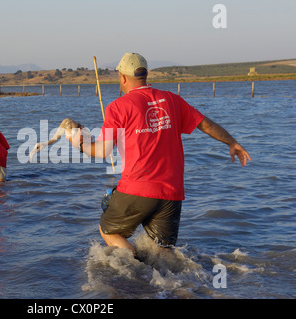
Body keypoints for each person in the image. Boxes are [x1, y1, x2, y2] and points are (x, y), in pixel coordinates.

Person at [69, 53, 251, 256]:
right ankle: (170, 286)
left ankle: (135, 267)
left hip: (137, 188)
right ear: (145, 75)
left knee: (108, 231)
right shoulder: (172, 99)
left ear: (122, 77)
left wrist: (79, 143)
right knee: (163, 253)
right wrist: (232, 142)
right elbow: (206, 125)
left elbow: (102, 152)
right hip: (171, 192)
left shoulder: (118, 107)